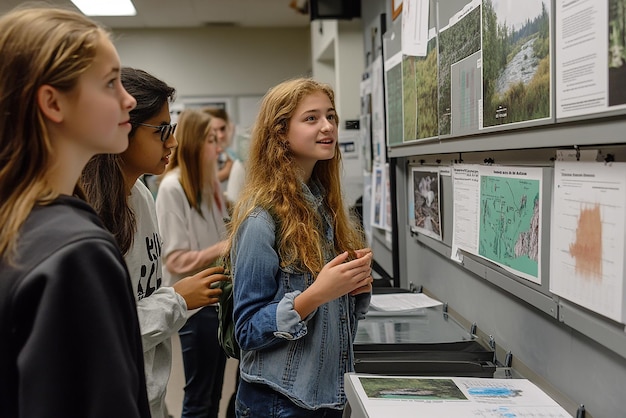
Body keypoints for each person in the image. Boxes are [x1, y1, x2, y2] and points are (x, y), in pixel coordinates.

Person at [0, 6, 151, 417]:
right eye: (110, 83)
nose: (129, 99)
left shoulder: (20, 223)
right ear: (52, 102)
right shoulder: (75, 252)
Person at [80, 67, 229, 418]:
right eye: (162, 131)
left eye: (172, 130)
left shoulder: (141, 195)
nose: (172, 143)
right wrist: (178, 298)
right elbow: (98, 333)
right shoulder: (88, 214)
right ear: (121, 128)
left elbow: (140, 299)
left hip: (146, 392)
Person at [225, 77, 374, 417]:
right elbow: (245, 329)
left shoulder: (325, 208)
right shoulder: (261, 219)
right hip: (277, 401)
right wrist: (318, 294)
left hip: (324, 395)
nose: (327, 127)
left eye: (331, 116)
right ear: (280, 133)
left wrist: (352, 287)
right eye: (312, 118)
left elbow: (330, 315)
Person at [155, 108, 229, 418]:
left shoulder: (209, 184)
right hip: (194, 307)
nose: (219, 146)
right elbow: (175, 259)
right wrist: (223, 247)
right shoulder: (173, 187)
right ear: (195, 143)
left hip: (216, 301)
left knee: (213, 395)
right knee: (199, 398)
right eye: (211, 139)